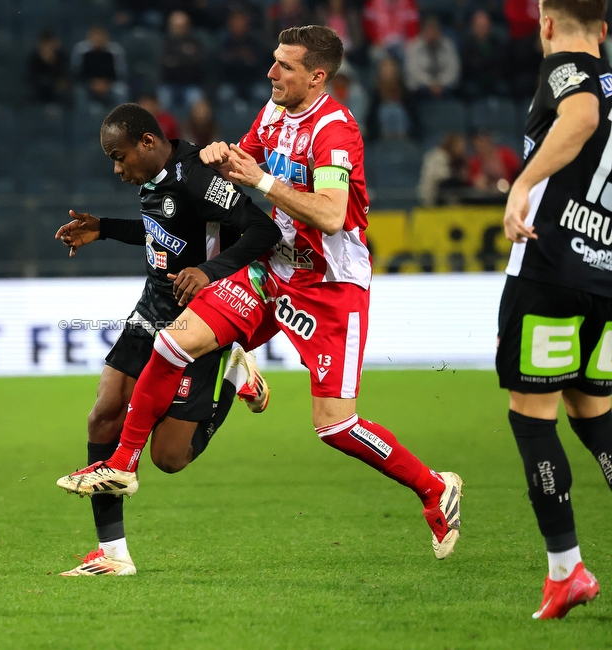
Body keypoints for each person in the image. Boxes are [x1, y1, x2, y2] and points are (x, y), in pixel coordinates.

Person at [58, 26, 464, 561]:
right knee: (173, 342)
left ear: (317, 77)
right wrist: (219, 155)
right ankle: (123, 464)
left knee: (335, 426)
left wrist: (263, 182)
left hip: (328, 288)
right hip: (269, 273)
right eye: (273, 61)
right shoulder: (273, 113)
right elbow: (238, 167)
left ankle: (435, 488)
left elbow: (332, 214)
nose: (270, 73)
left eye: (285, 66)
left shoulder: (336, 131)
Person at [54, 103, 282, 576]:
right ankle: (113, 555)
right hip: (151, 309)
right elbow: (165, 233)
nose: (118, 169)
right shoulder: (153, 176)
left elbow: (264, 229)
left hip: (197, 324)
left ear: (148, 142)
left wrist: (209, 272)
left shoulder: (198, 175)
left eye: (120, 157)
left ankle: (233, 375)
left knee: (169, 457)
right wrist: (106, 229)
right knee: (102, 418)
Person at [498, 0, 609, 620]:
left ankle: (566, 571)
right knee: (594, 415)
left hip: (552, 269)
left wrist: (522, 183)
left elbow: (582, 114)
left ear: (545, 24)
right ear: (605, 27)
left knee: (533, 417)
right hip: (607, 278)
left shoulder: (566, 68)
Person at [158, 10, 207, 114]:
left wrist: (176, 61)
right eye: (175, 26)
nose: (178, 29)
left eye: (181, 26)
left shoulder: (195, 42)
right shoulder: (163, 43)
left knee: (198, 102)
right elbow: (163, 65)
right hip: (169, 85)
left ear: (187, 26)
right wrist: (184, 59)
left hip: (190, 85)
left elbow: (197, 63)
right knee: (162, 100)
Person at [403, 15, 461, 101]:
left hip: (445, 87)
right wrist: (431, 84)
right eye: (429, 31)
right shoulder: (414, 46)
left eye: (434, 30)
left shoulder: (448, 45)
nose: (431, 34)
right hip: (421, 88)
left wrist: (440, 83)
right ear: (423, 32)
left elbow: (453, 69)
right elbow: (413, 71)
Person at [70, 24, 128, 107]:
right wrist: (92, 83)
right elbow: (75, 72)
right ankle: (81, 118)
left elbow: (121, 73)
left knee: (121, 91)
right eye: (95, 35)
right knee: (79, 92)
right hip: (87, 85)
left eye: (101, 35)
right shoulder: (80, 50)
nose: (98, 38)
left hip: (110, 85)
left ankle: (120, 118)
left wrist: (107, 84)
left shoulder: (116, 51)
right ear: (89, 37)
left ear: (107, 37)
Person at [418, 132, 468, 206]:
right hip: (432, 196)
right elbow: (443, 178)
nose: (463, 150)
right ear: (452, 145)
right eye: (460, 146)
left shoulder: (454, 160)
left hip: (444, 195)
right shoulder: (438, 156)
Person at [27, 30, 70, 105]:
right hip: (39, 94)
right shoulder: (34, 59)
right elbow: (31, 79)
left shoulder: (62, 57)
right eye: (46, 45)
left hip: (58, 94)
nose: (48, 48)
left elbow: (65, 78)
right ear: (40, 45)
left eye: (51, 45)